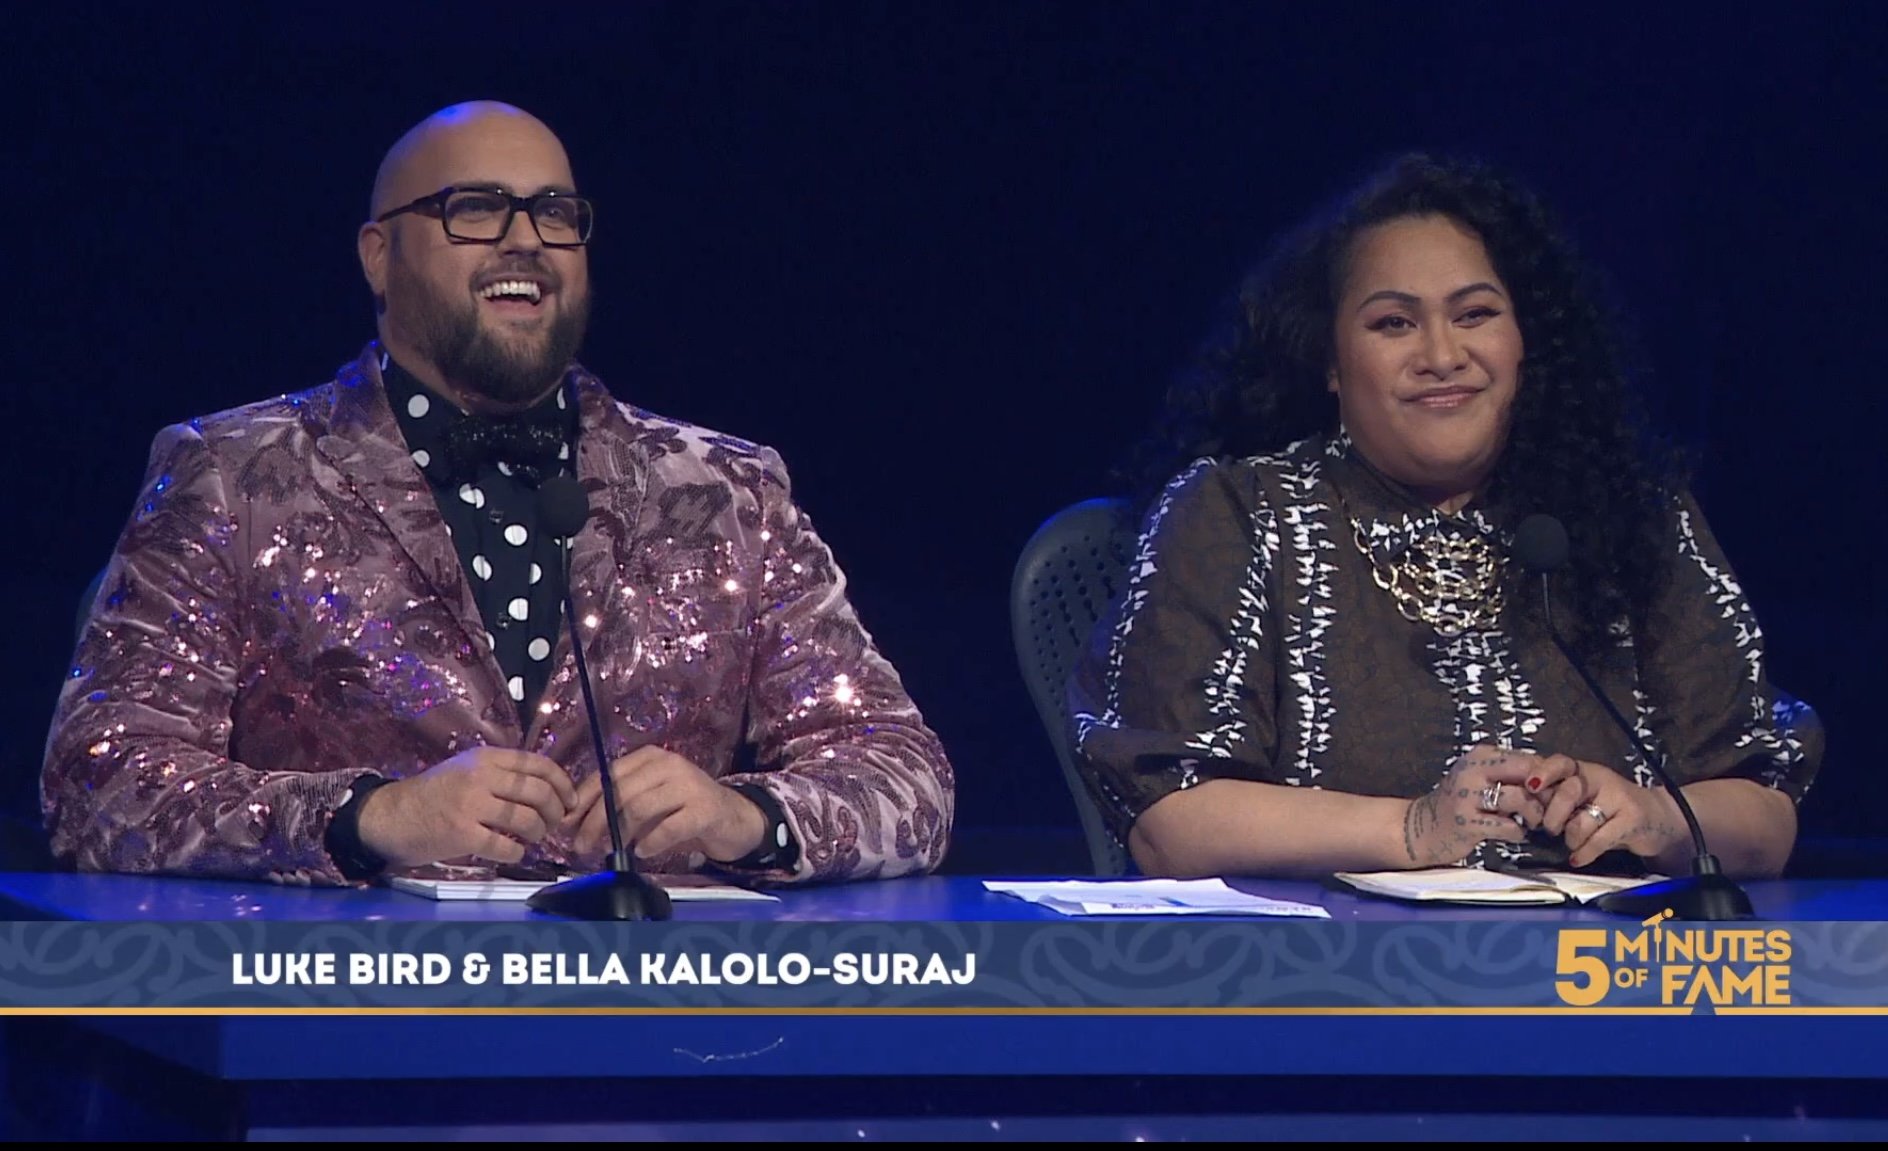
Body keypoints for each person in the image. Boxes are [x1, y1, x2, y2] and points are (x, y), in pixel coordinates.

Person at [43, 101, 953, 887]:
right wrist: (369, 819)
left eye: (556, 213)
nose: (526, 238)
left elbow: (908, 777)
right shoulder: (232, 473)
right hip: (341, 1027)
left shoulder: (727, 487)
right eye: (474, 208)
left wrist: (746, 817)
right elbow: (97, 781)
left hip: (660, 1030)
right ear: (377, 255)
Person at [1069, 154, 1820, 880]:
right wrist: (1412, 828)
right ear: (1330, 361)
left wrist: (1654, 816)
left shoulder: (1638, 517)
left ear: (1527, 341)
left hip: (1605, 988)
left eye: (1475, 314)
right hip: (1324, 988)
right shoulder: (1238, 515)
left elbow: (1765, 816)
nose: (1442, 354)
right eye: (1394, 323)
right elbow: (1171, 823)